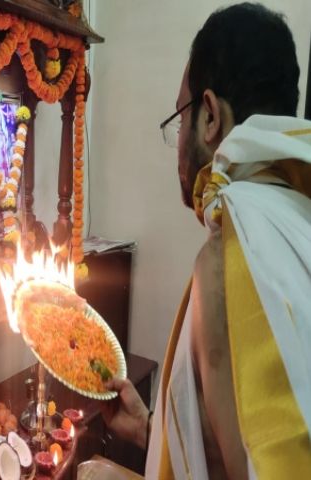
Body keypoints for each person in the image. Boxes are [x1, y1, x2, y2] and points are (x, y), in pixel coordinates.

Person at [100, 4, 311, 479]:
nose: (178, 141)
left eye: (181, 118)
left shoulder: (232, 258)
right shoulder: (297, 215)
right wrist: (149, 429)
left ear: (210, 116)